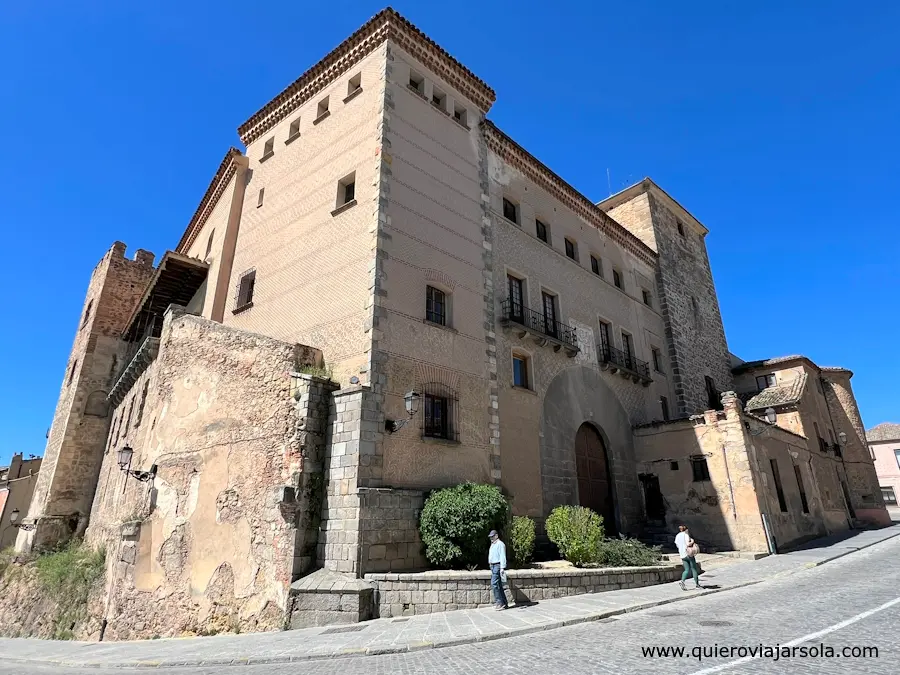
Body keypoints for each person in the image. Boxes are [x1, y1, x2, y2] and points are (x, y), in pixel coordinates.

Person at [674, 524, 701, 590]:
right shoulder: (686, 535)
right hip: (689, 553)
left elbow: (677, 545)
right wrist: (692, 541)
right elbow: (688, 544)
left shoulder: (677, 536)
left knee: (686, 569)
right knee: (694, 569)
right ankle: (697, 585)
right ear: (686, 529)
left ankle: (682, 581)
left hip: (682, 554)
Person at [488, 529, 508, 610]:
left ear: (496, 536)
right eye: (490, 537)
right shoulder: (493, 544)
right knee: (498, 585)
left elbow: (502, 556)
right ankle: (504, 603)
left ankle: (499, 603)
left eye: (492, 536)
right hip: (493, 566)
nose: (491, 538)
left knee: (494, 584)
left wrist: (502, 567)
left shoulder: (500, 544)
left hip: (497, 565)